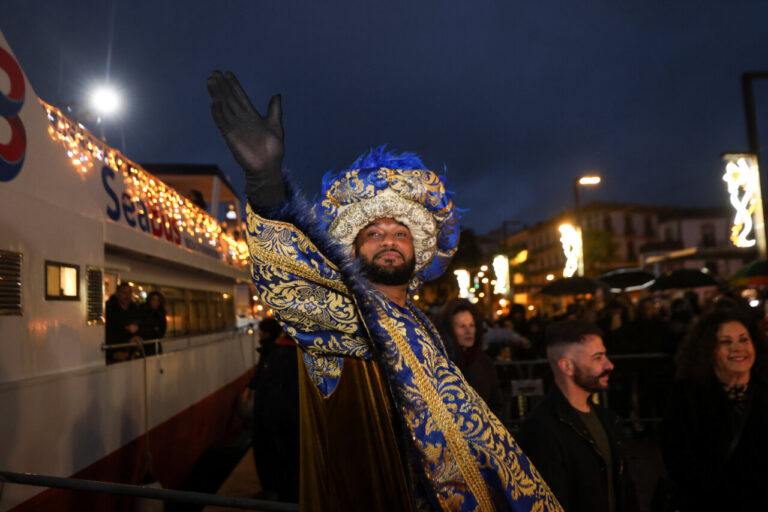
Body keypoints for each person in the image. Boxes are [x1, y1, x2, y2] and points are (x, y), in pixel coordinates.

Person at [207, 71, 561, 511]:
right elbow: (291, 282)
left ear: (416, 249)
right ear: (353, 250)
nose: (389, 240)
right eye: (373, 233)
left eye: (401, 232)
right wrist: (266, 186)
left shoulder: (425, 325)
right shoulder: (345, 316)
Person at [517, 320, 638, 512]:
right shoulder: (541, 428)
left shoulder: (607, 418)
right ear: (567, 366)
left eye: (605, 355)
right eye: (598, 358)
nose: (609, 365)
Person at [661, 309, 768, 511]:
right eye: (726, 342)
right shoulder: (686, 395)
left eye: (744, 340)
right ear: (709, 349)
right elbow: (679, 460)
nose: (738, 348)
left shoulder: (764, 390)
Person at [249, 318, 300, 502]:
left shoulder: (282, 353)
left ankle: (283, 496)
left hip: (277, 418)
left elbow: (273, 387)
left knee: (282, 460)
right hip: (284, 417)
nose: (259, 333)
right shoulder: (292, 352)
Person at [436, 298, 502, 413]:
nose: (468, 331)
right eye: (462, 326)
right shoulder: (441, 364)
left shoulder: (484, 362)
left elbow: (496, 403)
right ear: (449, 330)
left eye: (472, 325)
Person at [105, 282, 140, 363]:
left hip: (131, 351)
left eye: (129, 293)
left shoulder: (134, 308)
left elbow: (139, 325)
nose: (127, 296)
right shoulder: (109, 308)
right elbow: (108, 331)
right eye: (124, 293)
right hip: (114, 351)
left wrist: (136, 335)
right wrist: (112, 353)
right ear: (117, 294)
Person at [138, 291, 166, 356]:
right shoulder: (142, 311)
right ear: (149, 300)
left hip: (155, 344)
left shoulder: (161, 314)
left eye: (158, 300)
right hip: (144, 345)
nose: (155, 302)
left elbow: (162, 331)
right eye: (153, 300)